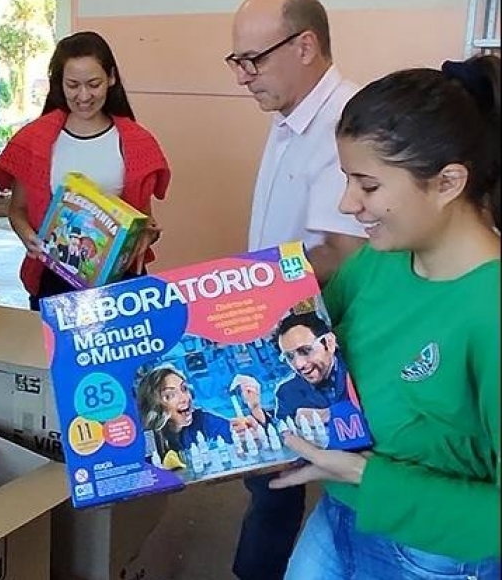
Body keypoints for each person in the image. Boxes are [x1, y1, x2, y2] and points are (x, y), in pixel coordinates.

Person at [271, 55, 501, 579]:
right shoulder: (380, 259)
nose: (348, 203)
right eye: (347, 178)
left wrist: (363, 474)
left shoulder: (490, 311)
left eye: (368, 186)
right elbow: (317, 348)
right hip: (340, 514)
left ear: (447, 183)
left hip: (433, 554)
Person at [226, 1, 366, 576]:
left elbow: (344, 255)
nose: (242, 75)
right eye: (236, 60)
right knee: (273, 482)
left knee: (280, 484)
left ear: (305, 47)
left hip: (315, 340)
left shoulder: (341, 125)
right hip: (278, 329)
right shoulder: (290, 116)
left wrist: (243, 290)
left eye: (253, 59)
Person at [0, 31, 171, 311]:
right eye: (73, 85)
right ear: (58, 84)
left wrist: (148, 233)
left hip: (119, 281)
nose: (83, 96)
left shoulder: (136, 142)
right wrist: (28, 236)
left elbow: (145, 219)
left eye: (94, 84)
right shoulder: (34, 141)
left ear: (111, 78)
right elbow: (18, 210)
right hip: (55, 278)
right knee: (53, 354)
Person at [233, 311, 352, 428]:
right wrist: (256, 409)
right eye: (289, 357)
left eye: (305, 350)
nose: (299, 364)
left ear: (329, 343)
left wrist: (328, 415)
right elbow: (281, 431)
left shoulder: (357, 366)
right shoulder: (286, 392)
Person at [137, 366, 234, 455]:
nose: (184, 398)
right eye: (170, 395)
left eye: (184, 389)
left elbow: (232, 433)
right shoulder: (146, 439)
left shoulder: (203, 419)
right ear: (154, 406)